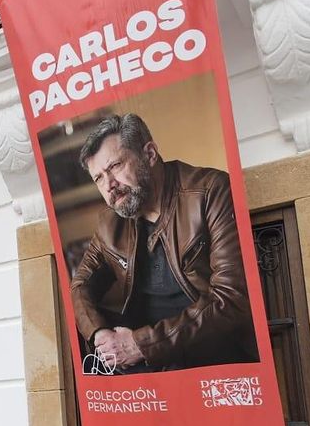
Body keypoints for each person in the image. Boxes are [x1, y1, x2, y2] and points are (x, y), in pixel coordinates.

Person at [71, 112, 258, 374]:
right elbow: (81, 285)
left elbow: (231, 298)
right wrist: (101, 335)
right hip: (148, 362)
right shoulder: (109, 223)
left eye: (114, 166)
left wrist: (139, 344)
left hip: (211, 353)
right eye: (98, 178)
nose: (109, 185)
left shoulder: (209, 191)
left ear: (149, 154)